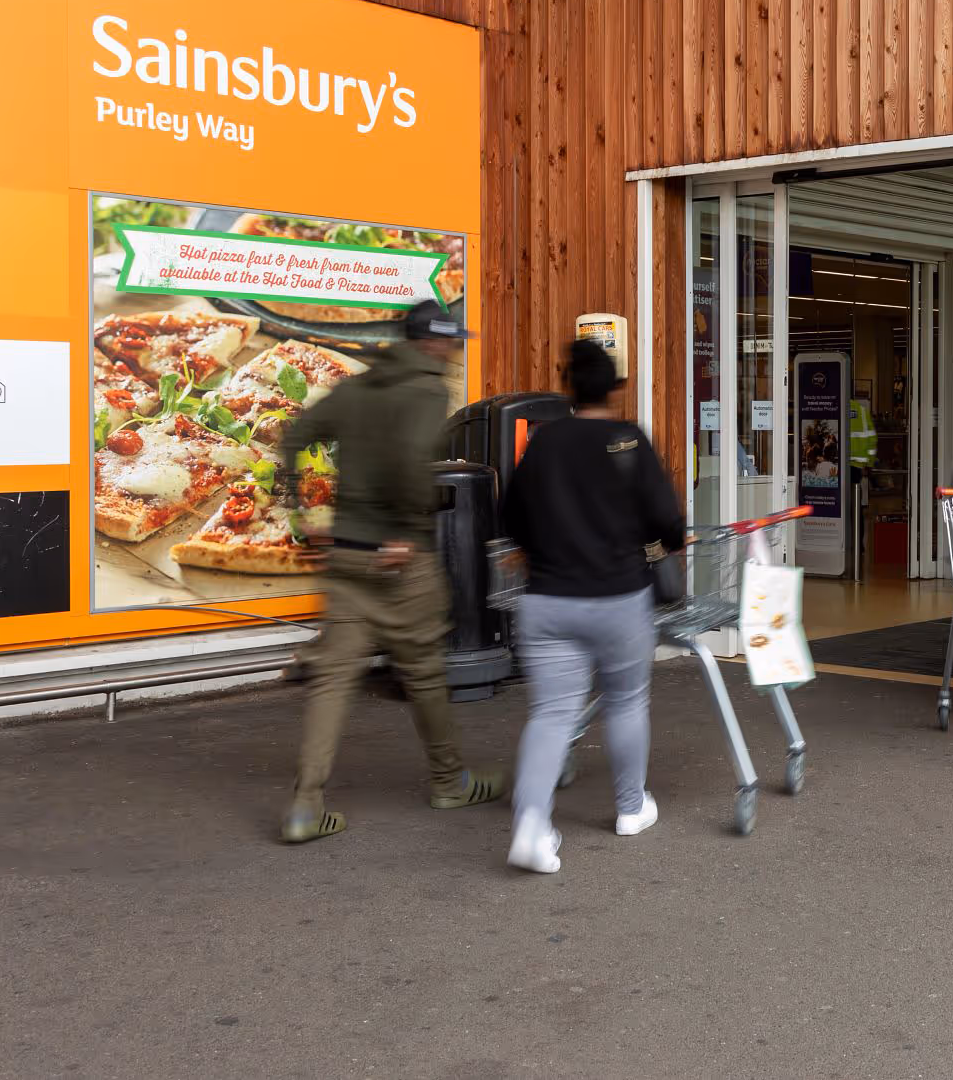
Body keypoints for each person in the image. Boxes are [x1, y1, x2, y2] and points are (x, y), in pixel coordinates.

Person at [277, 299, 504, 844]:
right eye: (451, 341)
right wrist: (404, 529)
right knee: (423, 668)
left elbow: (292, 438)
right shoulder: (426, 390)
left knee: (334, 679)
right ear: (434, 342)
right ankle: (449, 781)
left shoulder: (357, 385)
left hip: (347, 555)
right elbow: (410, 457)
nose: (453, 351)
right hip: (398, 560)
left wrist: (302, 518)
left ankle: (307, 805)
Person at [501, 338, 685, 873]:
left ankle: (531, 826)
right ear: (616, 388)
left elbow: (510, 518)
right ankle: (630, 808)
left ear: (568, 389)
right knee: (626, 702)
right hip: (618, 598)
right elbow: (667, 524)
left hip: (547, 602)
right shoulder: (629, 440)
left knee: (553, 713)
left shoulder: (544, 443)